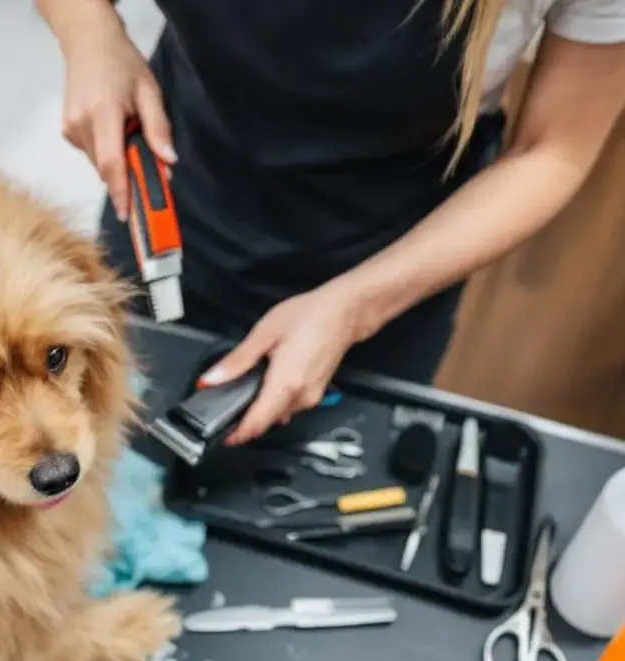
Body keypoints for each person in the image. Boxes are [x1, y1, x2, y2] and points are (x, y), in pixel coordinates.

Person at [36, 0, 625, 444]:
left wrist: (356, 306)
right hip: (169, 190)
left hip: (387, 261)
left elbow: (554, 151)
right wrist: (90, 35)